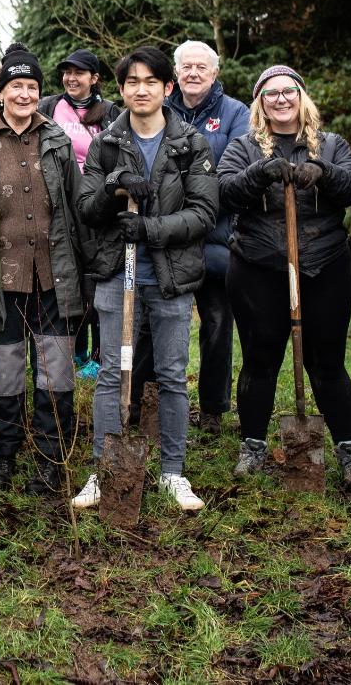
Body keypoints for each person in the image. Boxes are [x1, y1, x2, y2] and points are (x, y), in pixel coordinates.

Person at [70, 46, 218, 513]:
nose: (141, 89)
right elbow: (86, 209)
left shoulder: (190, 144)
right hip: (119, 275)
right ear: (120, 88)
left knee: (171, 375)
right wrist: (115, 185)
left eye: (151, 81)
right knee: (111, 374)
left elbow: (205, 213)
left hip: (171, 277)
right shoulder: (106, 144)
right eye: (132, 81)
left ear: (167, 87)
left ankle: (173, 472)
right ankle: (104, 469)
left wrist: (150, 229)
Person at [217, 65, 351, 490]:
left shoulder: (332, 145)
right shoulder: (243, 147)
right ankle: (252, 446)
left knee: (328, 363)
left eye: (289, 91)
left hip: (323, 266)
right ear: (260, 103)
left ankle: (349, 450)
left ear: (302, 97)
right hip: (257, 267)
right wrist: (259, 173)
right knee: (260, 359)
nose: (281, 99)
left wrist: (324, 172)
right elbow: (223, 193)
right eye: (271, 94)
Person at [0, 44, 85, 493]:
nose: (24, 94)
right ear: (3, 91)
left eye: (31, 86)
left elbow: (76, 209)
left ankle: (51, 459)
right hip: (1, 279)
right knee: (6, 372)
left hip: (54, 276)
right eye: (16, 86)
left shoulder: (57, 141)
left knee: (56, 373)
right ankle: (3, 457)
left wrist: (85, 275)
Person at [128, 41, 250, 434]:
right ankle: (144, 404)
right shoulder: (159, 108)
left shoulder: (236, 113)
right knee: (150, 326)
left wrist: (189, 199)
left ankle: (212, 409)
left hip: (215, 239)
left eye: (202, 67)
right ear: (175, 74)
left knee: (216, 323)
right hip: (163, 241)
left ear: (215, 73)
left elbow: (230, 173)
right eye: (187, 66)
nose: (194, 73)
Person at [38, 47, 118, 377]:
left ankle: (98, 355)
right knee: (67, 277)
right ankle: (76, 352)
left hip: (97, 208)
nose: (71, 78)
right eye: (67, 72)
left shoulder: (110, 112)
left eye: (79, 72)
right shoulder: (48, 107)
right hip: (58, 206)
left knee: (96, 279)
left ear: (94, 78)